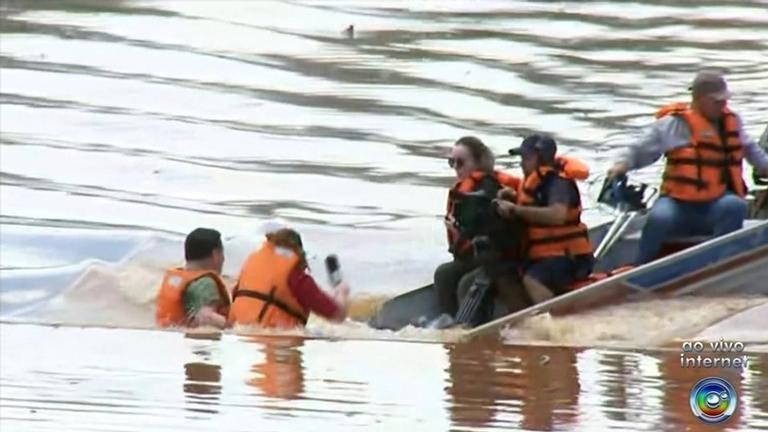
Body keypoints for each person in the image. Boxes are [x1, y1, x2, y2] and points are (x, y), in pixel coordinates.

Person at [608, 70, 768, 264]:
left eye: (724, 100)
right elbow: (639, 149)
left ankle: (717, 262)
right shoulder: (672, 125)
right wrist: (620, 165)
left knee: (735, 206)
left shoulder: (732, 122)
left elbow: (753, 153)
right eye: (716, 101)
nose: (723, 105)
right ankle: (641, 264)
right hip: (677, 203)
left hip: (715, 202)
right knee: (659, 218)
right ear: (699, 99)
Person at [495, 134, 594, 304]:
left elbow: (557, 215)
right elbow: (535, 202)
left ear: (540, 158)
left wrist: (516, 209)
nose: (521, 162)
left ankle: (553, 321)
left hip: (570, 257)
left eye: (526, 157)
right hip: (543, 254)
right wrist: (513, 196)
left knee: (532, 279)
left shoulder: (558, 182)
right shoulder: (535, 181)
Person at [434, 136, 521, 317]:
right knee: (444, 273)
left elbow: (495, 229)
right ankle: (447, 322)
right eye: (452, 162)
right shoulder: (464, 190)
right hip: (474, 256)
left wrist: (460, 228)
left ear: (478, 162)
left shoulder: (490, 188)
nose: (456, 168)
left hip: (497, 257)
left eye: (461, 162)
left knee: (468, 284)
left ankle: (471, 326)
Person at [228, 225, 349, 328]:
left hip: (240, 334)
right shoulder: (297, 277)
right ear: (299, 252)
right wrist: (342, 292)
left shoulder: (250, 263)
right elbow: (337, 316)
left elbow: (235, 295)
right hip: (278, 339)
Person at [156, 228, 231, 329]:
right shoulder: (205, 283)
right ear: (216, 255)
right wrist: (232, 328)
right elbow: (206, 317)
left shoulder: (176, 279)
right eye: (222, 254)